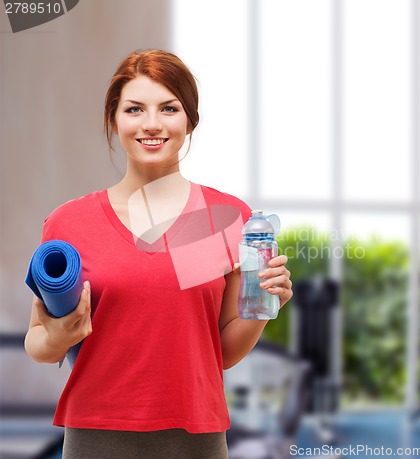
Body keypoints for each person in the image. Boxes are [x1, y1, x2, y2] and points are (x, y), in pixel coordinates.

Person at [24, 49, 293, 459]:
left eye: (169, 108)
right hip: (96, 434)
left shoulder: (223, 218)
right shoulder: (69, 223)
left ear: (190, 120)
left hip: (196, 436)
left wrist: (263, 306)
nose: (152, 125)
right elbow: (37, 342)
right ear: (114, 120)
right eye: (134, 109)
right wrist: (59, 337)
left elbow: (219, 354)